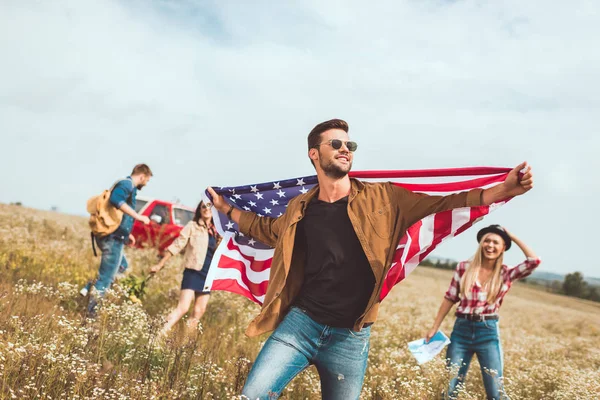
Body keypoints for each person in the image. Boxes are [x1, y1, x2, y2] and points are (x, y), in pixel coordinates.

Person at [207, 119, 535, 400]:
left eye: (350, 143)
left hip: (350, 338)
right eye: (335, 143)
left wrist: (504, 190)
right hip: (300, 325)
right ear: (314, 153)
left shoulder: (385, 198)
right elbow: (267, 229)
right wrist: (226, 209)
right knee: (251, 395)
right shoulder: (300, 208)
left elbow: (449, 201)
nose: (345, 148)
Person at [425, 225, 541, 399]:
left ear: (503, 248)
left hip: (487, 332)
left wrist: (511, 236)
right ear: (480, 243)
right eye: (487, 240)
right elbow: (450, 297)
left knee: (496, 392)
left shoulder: (506, 273)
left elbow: (533, 261)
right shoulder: (464, 267)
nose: (490, 245)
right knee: (449, 389)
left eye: (496, 242)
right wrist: (434, 327)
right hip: (461, 332)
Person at [86, 164, 152, 316]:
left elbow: (116, 212)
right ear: (142, 176)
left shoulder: (128, 186)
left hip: (117, 235)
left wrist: (126, 233)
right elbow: (116, 200)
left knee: (122, 266)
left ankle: (90, 286)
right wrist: (138, 216)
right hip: (112, 238)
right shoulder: (127, 184)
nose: (146, 184)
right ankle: (91, 315)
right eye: (146, 181)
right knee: (106, 278)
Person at [149, 201, 221, 334]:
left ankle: (183, 345)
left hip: (208, 274)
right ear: (199, 209)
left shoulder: (217, 231)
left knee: (199, 311)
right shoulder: (192, 226)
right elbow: (177, 244)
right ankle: (157, 334)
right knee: (183, 308)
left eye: (209, 207)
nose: (206, 209)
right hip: (193, 271)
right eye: (203, 206)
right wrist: (160, 264)